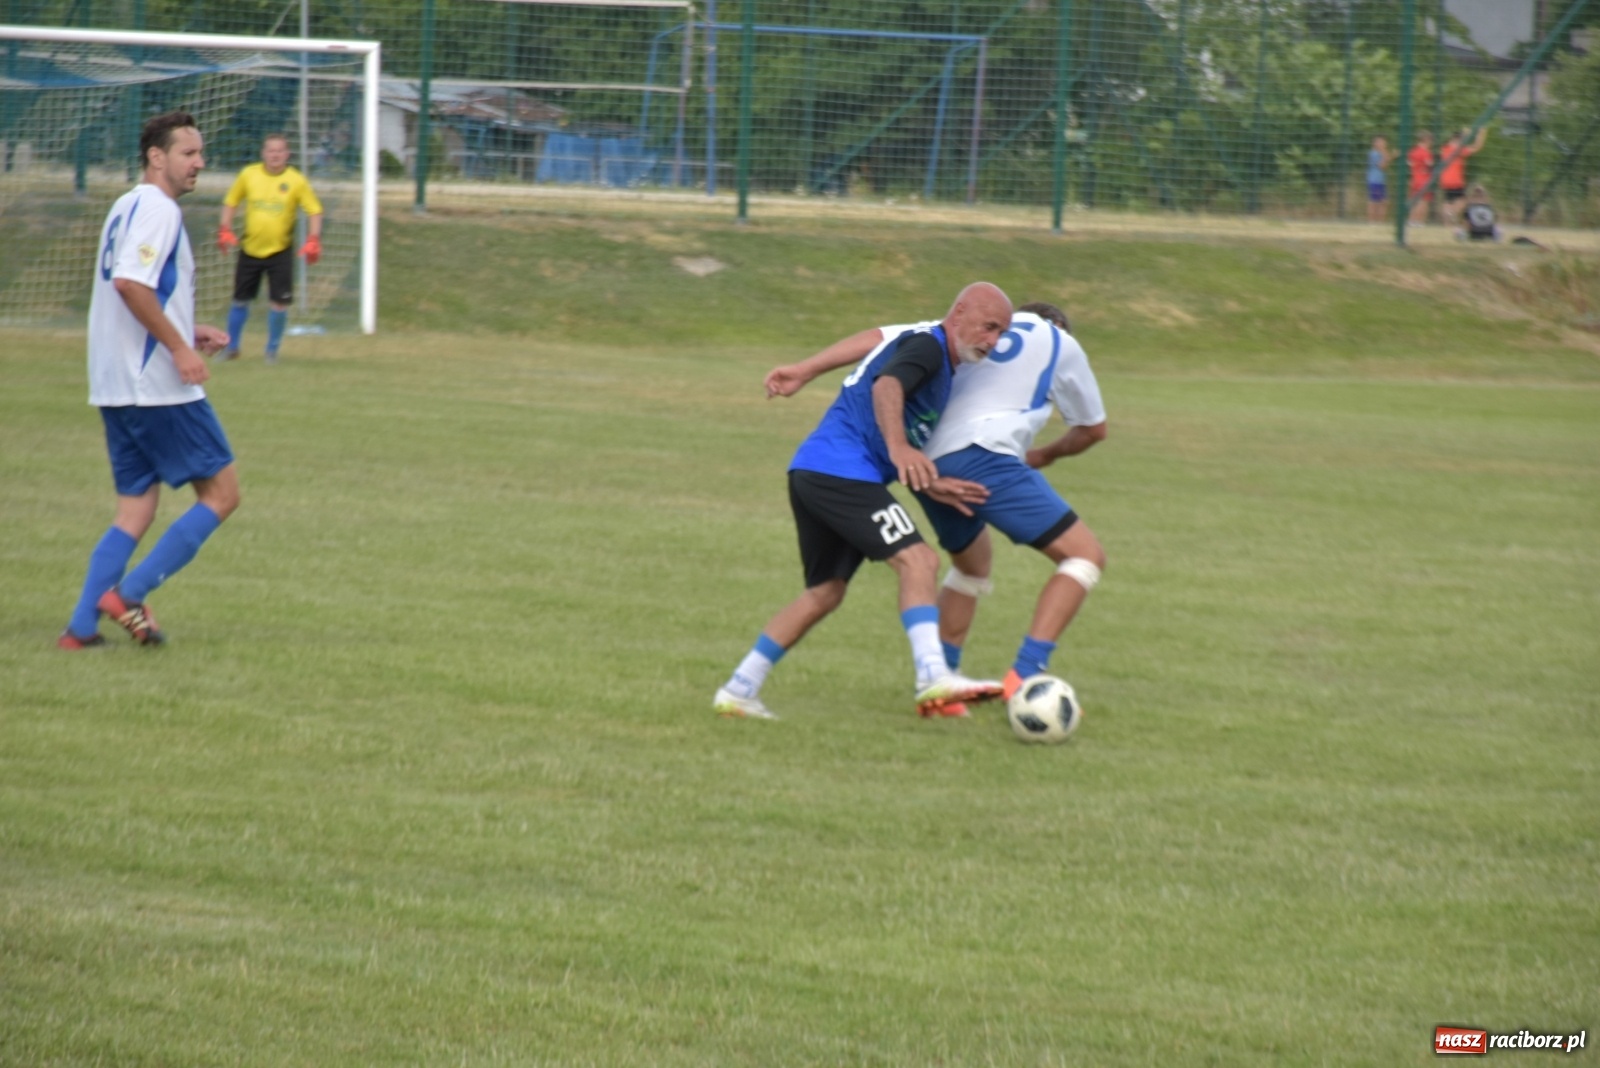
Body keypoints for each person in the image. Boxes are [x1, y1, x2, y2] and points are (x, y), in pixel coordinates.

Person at [766, 302, 1107, 715]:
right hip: (982, 457)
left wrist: (805, 369)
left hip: (927, 462)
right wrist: (1045, 455)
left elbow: (877, 337)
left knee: (973, 564)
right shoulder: (1061, 342)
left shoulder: (970, 328)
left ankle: (941, 687)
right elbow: (1092, 430)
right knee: (1084, 556)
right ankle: (1025, 675)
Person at [713, 283, 1015, 721]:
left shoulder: (930, 351)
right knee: (920, 562)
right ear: (960, 312)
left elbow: (874, 345)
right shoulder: (928, 347)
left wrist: (928, 481)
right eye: (989, 327)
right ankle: (933, 675)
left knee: (825, 592)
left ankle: (738, 689)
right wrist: (898, 448)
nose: (993, 341)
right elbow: (886, 386)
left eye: (1001, 333)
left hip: (817, 472)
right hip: (839, 473)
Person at [59, 111, 239, 649]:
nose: (199, 163)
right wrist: (180, 347)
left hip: (114, 383)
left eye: (201, 153)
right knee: (223, 494)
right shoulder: (160, 210)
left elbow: (137, 287)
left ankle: (81, 629)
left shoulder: (125, 205)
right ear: (156, 157)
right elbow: (132, 285)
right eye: (188, 153)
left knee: (135, 506)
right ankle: (128, 595)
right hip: (153, 386)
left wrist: (188, 326)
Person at [217, 132, 323, 362]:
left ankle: (272, 351)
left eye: (279, 150)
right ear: (263, 153)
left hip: (280, 251)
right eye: (271, 150)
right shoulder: (249, 174)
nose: (275, 155)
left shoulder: (296, 180)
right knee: (240, 299)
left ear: (287, 154)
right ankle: (231, 348)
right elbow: (231, 201)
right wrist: (225, 228)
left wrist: (314, 238)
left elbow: (314, 210)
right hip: (250, 249)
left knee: (279, 302)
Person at [1437, 126, 1488, 226]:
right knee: (1462, 200)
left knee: (1448, 201)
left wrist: (1466, 133)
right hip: (1456, 180)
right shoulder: (1458, 150)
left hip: (1445, 179)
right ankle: (1452, 215)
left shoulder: (1444, 148)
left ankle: (1446, 223)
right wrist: (1481, 135)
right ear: (1458, 139)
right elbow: (1476, 147)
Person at [1406, 129, 1435, 224]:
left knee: (1414, 201)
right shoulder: (1426, 153)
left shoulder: (1412, 152)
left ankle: (1411, 220)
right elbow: (1429, 164)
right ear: (1426, 140)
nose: (1431, 143)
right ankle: (1419, 221)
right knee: (1423, 201)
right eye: (1430, 140)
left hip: (1414, 179)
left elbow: (1409, 164)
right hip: (1424, 180)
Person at [1366, 135, 1395, 224]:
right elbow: (1381, 166)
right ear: (1375, 143)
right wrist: (1390, 155)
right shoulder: (1374, 153)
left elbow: (1385, 165)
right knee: (1375, 202)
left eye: (1384, 142)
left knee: (1382, 202)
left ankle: (1379, 222)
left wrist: (1390, 156)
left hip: (1380, 181)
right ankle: (1372, 222)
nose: (1384, 144)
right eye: (1382, 142)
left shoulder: (1380, 153)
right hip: (1374, 180)